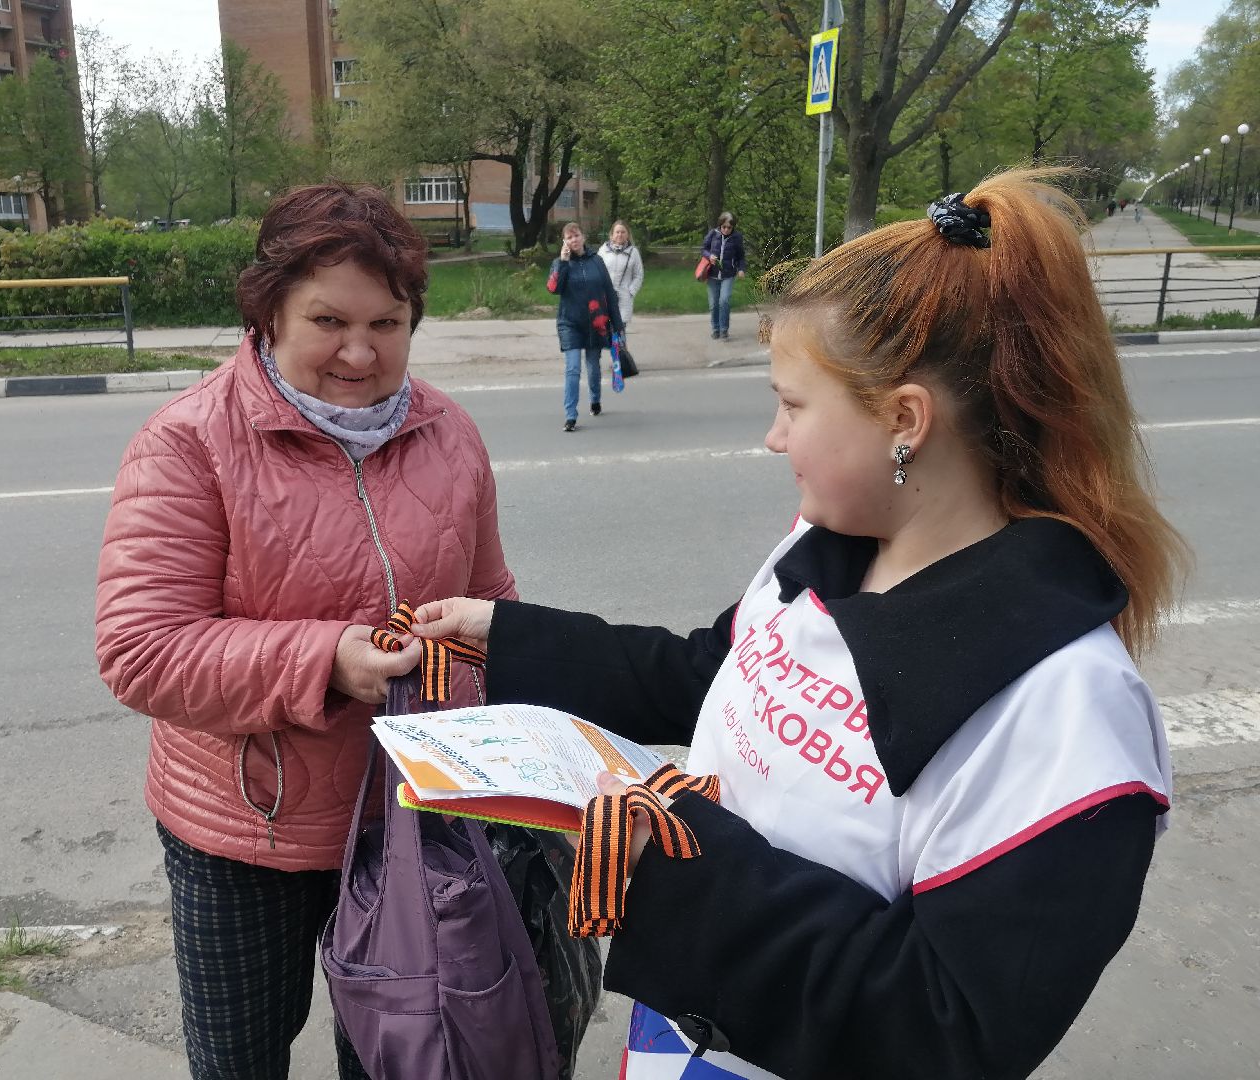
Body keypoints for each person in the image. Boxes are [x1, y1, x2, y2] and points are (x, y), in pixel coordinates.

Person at [409, 168, 1187, 1079]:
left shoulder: (1071, 715)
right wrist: (508, 635)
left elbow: (951, 1029)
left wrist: (671, 866)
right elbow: (712, 669)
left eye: (792, 405)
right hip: (682, 1041)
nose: (773, 438)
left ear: (904, 421)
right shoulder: (826, 551)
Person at [94, 182, 521, 1080]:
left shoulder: (450, 432)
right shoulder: (189, 442)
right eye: (328, 321)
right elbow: (141, 650)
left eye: (388, 324)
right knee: (241, 1061)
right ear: (269, 313)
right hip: (247, 836)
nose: (360, 353)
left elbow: (491, 597)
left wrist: (509, 711)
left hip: (412, 820)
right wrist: (327, 659)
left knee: (399, 1052)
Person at [549, 221, 623, 431]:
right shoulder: (559, 263)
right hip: (570, 323)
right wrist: (563, 263)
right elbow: (554, 288)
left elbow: (609, 292)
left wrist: (617, 325)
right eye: (569, 237)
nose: (574, 240)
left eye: (576, 235)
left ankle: (595, 399)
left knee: (593, 365)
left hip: (595, 322)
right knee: (573, 368)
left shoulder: (596, 261)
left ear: (583, 237)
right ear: (564, 241)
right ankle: (570, 415)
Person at [700, 211, 747, 340]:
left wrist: (741, 269)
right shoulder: (713, 234)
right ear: (720, 225)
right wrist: (709, 256)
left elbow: (741, 256)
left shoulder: (737, 237)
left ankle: (724, 329)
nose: (726, 230)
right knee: (714, 304)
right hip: (712, 275)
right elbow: (703, 249)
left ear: (733, 227)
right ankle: (716, 329)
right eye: (724, 227)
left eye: (729, 227)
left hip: (728, 275)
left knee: (724, 301)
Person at [597, 219, 645, 335]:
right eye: (617, 232)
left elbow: (638, 275)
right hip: (605, 297)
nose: (620, 235)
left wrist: (630, 291)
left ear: (627, 234)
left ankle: (619, 347)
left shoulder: (633, 252)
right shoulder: (603, 251)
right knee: (604, 333)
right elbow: (596, 272)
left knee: (619, 333)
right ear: (612, 234)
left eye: (623, 232)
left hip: (623, 298)